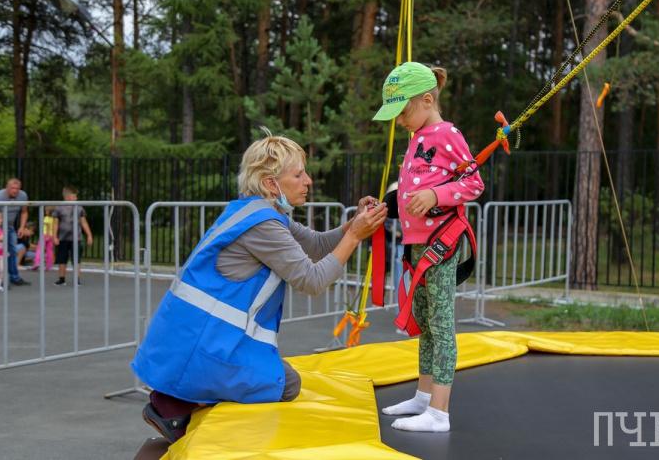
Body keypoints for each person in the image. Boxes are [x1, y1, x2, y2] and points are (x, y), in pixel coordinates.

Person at [131, 135, 387, 444]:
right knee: (286, 384)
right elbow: (312, 280)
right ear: (270, 183)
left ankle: (177, 399)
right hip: (204, 346)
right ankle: (173, 405)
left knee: (278, 375)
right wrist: (355, 236)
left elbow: (317, 245)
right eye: (298, 175)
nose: (308, 181)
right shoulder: (263, 225)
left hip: (192, 341)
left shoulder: (256, 211)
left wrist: (353, 224)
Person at [372, 62, 484, 433]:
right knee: (424, 322)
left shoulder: (447, 134)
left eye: (403, 111)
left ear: (427, 100)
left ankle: (439, 411)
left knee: (441, 323)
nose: (400, 120)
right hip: (417, 244)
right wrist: (391, 202)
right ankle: (423, 395)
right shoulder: (417, 137)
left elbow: (473, 183)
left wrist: (437, 195)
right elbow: (415, 186)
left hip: (441, 244)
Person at [52, 187, 94, 286]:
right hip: (63, 238)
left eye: (76, 196)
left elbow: (83, 222)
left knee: (76, 260)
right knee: (62, 259)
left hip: (76, 238)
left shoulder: (79, 208)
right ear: (67, 197)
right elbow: (55, 223)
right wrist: (54, 236)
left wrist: (89, 235)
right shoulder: (59, 208)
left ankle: (77, 279)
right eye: (74, 196)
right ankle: (61, 279)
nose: (76, 198)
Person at [0, 178, 30, 286]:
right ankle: (0, 279)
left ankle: (14, 277)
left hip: (10, 226)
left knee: (12, 251)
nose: (15, 191)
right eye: (12, 188)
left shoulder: (22, 195)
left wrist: (22, 227)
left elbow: (24, 212)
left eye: (17, 188)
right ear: (7, 187)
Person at [0, 211, 4, 291]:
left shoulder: (0, 229)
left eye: (1, 218)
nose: (1, 220)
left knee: (1, 270)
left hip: (1, 253)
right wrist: (0, 238)